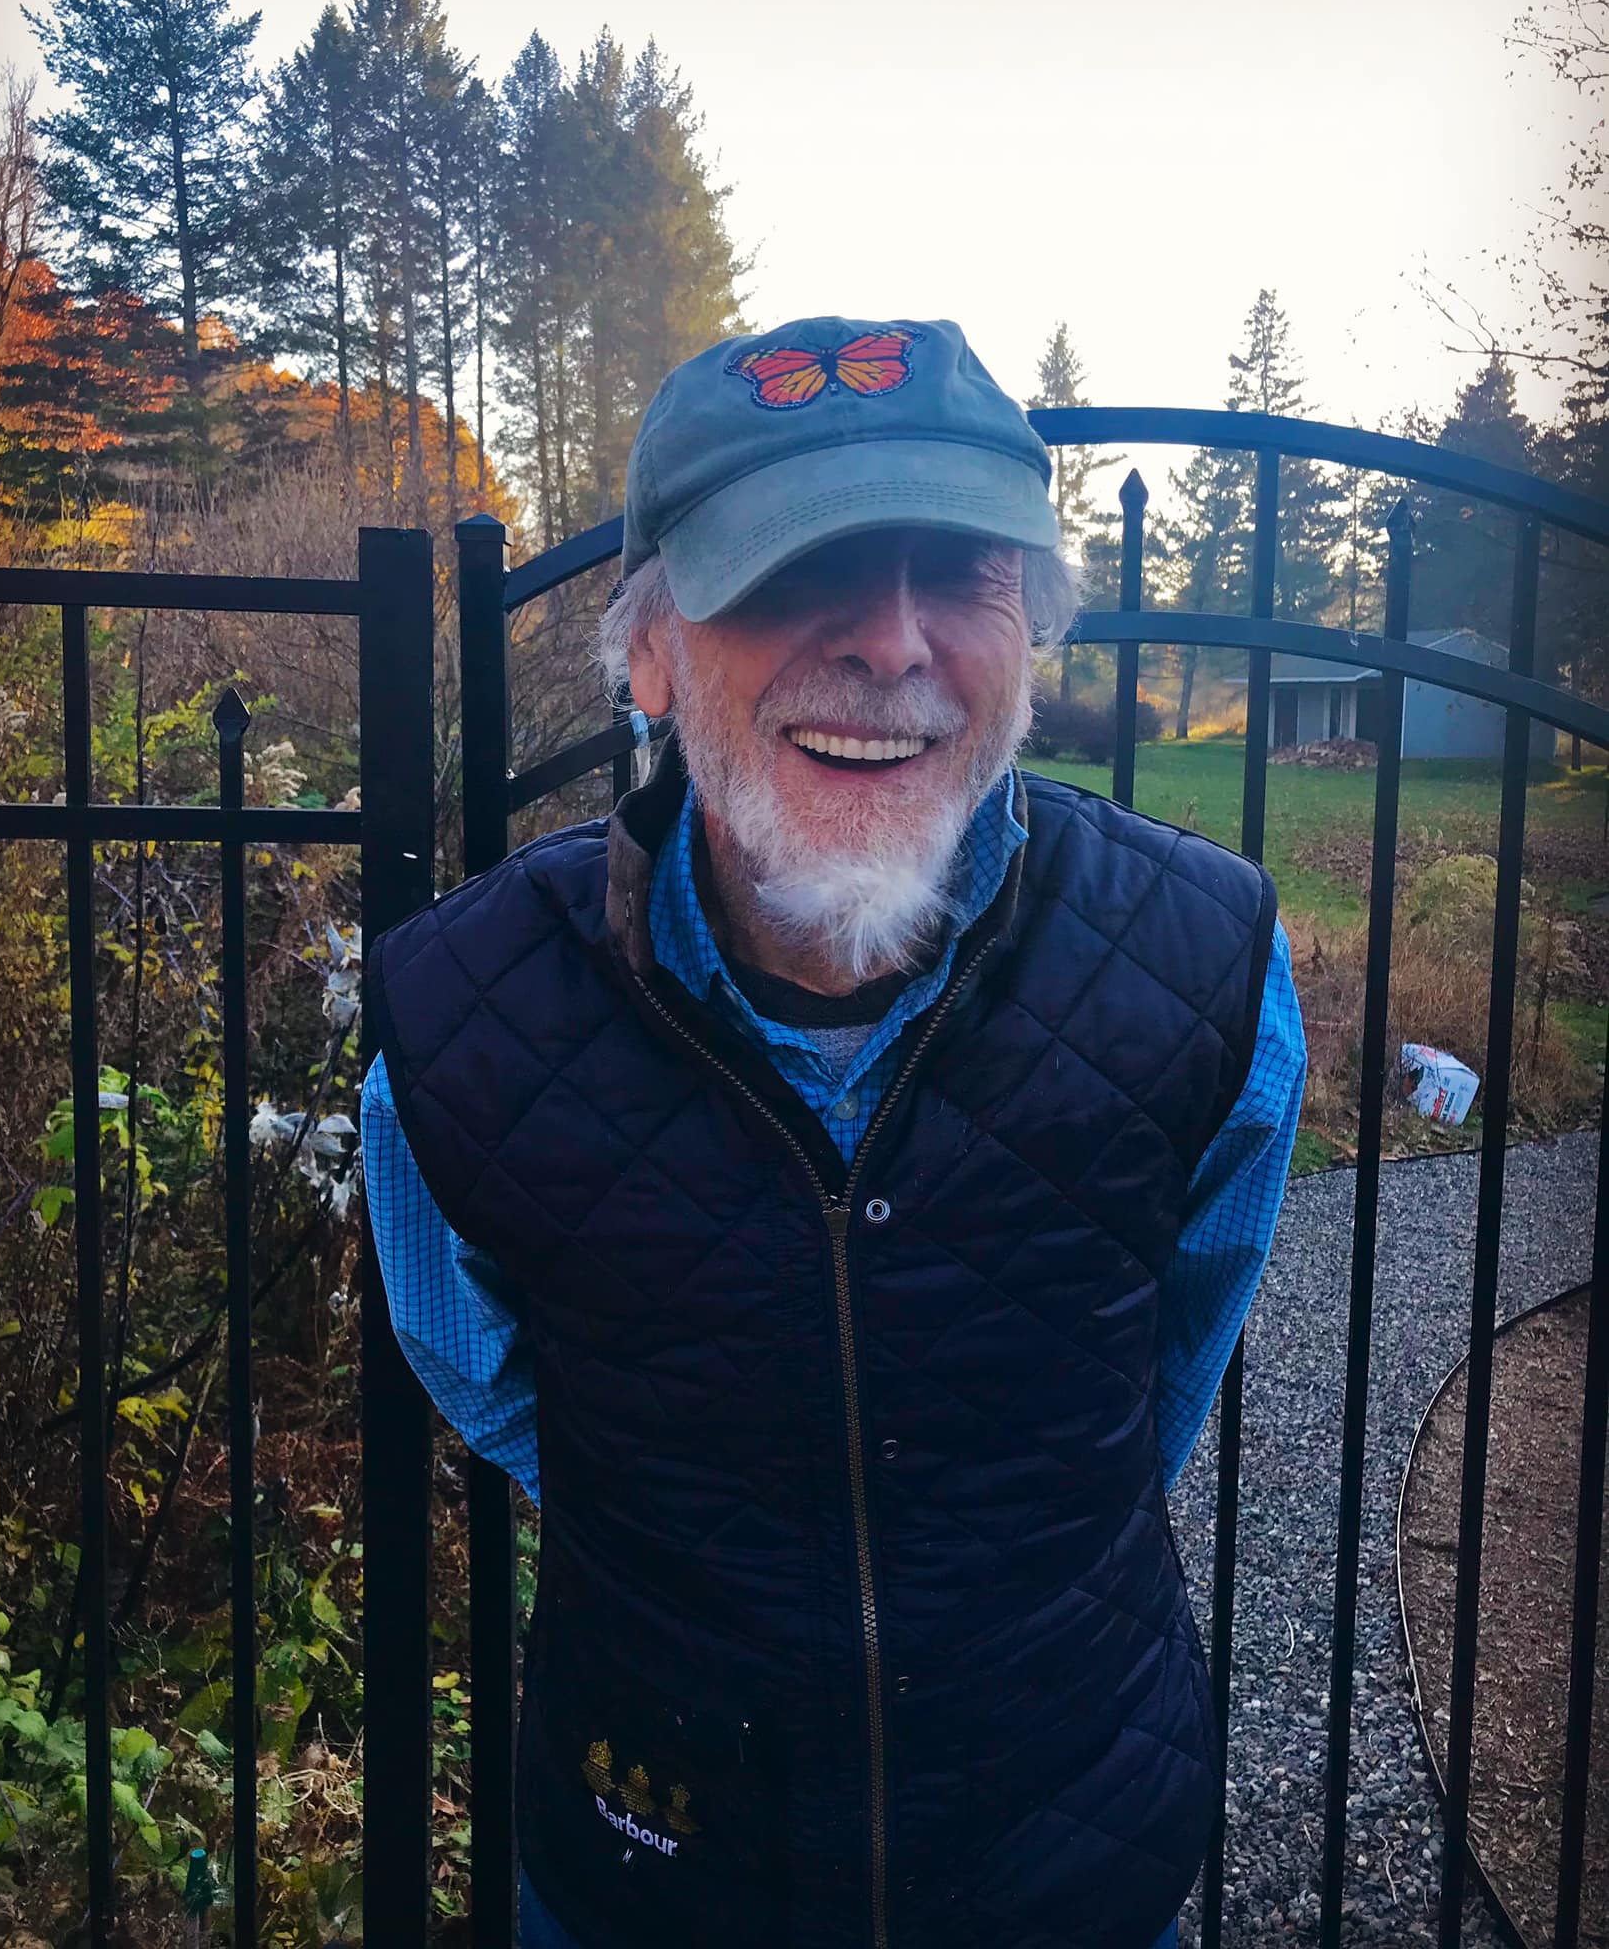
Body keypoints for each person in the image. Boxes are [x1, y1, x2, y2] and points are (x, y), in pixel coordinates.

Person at [361, 315, 1307, 1949]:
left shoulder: (1205, 962)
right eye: (802, 569)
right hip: (651, 1864)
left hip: (1066, 1856)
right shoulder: (468, 1010)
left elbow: (1160, 1358)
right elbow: (489, 1377)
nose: (890, 640)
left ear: (1030, 633)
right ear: (649, 653)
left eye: (965, 572)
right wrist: (708, 1523)